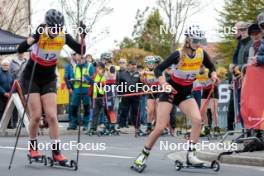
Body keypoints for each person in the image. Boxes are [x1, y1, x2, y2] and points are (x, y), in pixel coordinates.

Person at [132, 24, 217, 169]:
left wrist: (213, 74)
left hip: (185, 94)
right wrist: (164, 83)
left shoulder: (201, 53)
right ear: (188, 40)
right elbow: (158, 69)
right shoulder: (178, 54)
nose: (198, 43)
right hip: (170, 92)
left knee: (197, 120)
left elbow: (211, 66)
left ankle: (191, 155)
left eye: (200, 40)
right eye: (195, 40)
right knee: (160, 127)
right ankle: (142, 155)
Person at [17, 9, 86, 163]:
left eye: (58, 27)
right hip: (31, 77)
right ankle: (33, 147)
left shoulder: (63, 34)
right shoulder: (40, 31)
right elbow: (20, 49)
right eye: (52, 28)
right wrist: (34, 38)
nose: (55, 31)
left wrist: (82, 37)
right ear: (47, 25)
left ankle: (56, 152)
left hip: (48, 78)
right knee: (35, 117)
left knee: (52, 116)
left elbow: (81, 50)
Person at [70, 54, 95, 131]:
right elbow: (72, 76)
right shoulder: (75, 67)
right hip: (77, 89)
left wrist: (86, 80)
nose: (80, 61)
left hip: (86, 89)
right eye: (78, 60)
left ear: (84, 59)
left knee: (86, 107)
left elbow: (93, 77)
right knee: (74, 107)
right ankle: (74, 124)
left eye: (81, 59)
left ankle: (85, 124)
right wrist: (73, 80)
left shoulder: (89, 66)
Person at [118, 60, 142, 136]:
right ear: (128, 65)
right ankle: (122, 126)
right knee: (124, 111)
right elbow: (118, 84)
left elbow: (142, 84)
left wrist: (140, 91)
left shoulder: (139, 74)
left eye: (135, 65)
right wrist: (120, 94)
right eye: (132, 64)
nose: (133, 66)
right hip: (126, 95)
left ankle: (137, 127)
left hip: (136, 96)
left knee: (135, 112)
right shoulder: (122, 74)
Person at [140, 56, 160, 134]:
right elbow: (142, 80)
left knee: (158, 110)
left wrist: (145, 73)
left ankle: (158, 126)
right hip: (150, 91)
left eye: (152, 63)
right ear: (146, 64)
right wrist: (141, 76)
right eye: (148, 63)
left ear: (154, 63)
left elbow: (155, 73)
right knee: (150, 110)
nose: (150, 64)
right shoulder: (145, 70)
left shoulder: (157, 69)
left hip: (159, 90)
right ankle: (149, 126)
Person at [200, 65, 220, 135]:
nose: (200, 69)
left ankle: (217, 127)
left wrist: (215, 80)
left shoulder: (208, 72)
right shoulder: (195, 73)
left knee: (213, 110)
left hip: (213, 90)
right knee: (202, 110)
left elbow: (218, 81)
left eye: (201, 67)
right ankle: (206, 127)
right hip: (205, 91)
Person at [9, 52, 27, 128]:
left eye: (22, 53)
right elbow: (9, 75)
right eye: (20, 53)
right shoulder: (12, 63)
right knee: (15, 105)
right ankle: (14, 122)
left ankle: (24, 122)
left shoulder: (27, 62)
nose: (21, 55)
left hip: (24, 85)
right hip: (15, 85)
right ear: (17, 54)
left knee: (24, 103)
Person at [64, 52, 77, 130]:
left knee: (78, 105)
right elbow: (66, 77)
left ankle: (76, 122)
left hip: (79, 88)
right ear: (71, 56)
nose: (75, 56)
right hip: (72, 88)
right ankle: (71, 123)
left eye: (76, 54)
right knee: (72, 105)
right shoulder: (68, 66)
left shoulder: (80, 64)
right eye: (74, 55)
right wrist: (69, 88)